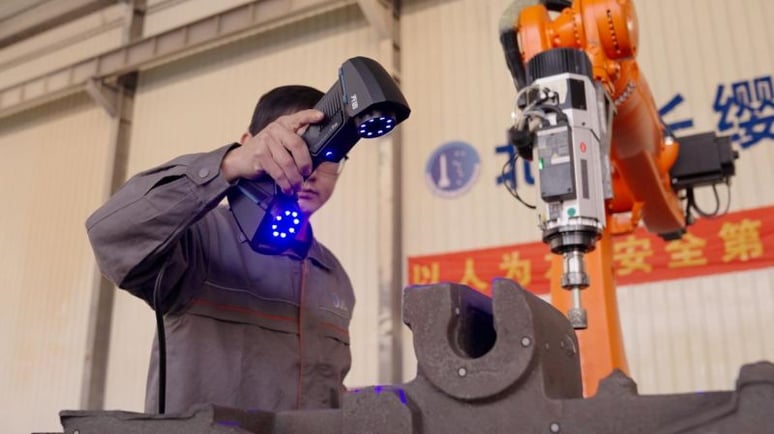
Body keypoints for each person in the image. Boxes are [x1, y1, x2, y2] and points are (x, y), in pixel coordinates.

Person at [86, 85, 355, 414]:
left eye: (330, 155)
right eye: (297, 146)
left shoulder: (334, 276)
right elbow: (111, 232)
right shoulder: (197, 237)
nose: (310, 170)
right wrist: (228, 164)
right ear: (250, 144)